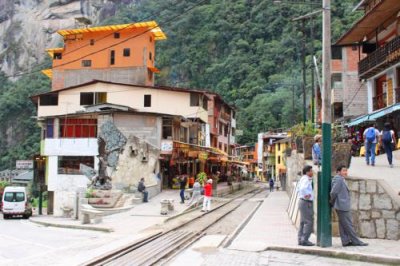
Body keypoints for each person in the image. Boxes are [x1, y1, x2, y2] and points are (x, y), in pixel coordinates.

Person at [330, 166, 368, 247]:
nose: (346, 172)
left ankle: (345, 241)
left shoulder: (341, 179)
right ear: (338, 172)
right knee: (348, 224)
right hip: (342, 205)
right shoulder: (339, 179)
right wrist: (332, 202)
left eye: (346, 171)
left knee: (343, 224)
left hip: (341, 205)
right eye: (344, 171)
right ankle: (356, 241)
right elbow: (333, 192)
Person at [297, 165, 314, 246]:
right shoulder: (306, 179)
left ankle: (300, 239)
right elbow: (303, 189)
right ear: (307, 172)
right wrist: (306, 195)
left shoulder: (302, 179)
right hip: (306, 202)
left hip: (302, 201)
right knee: (309, 222)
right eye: (311, 171)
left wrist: (303, 195)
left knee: (302, 222)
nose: (312, 172)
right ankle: (305, 240)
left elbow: (298, 189)